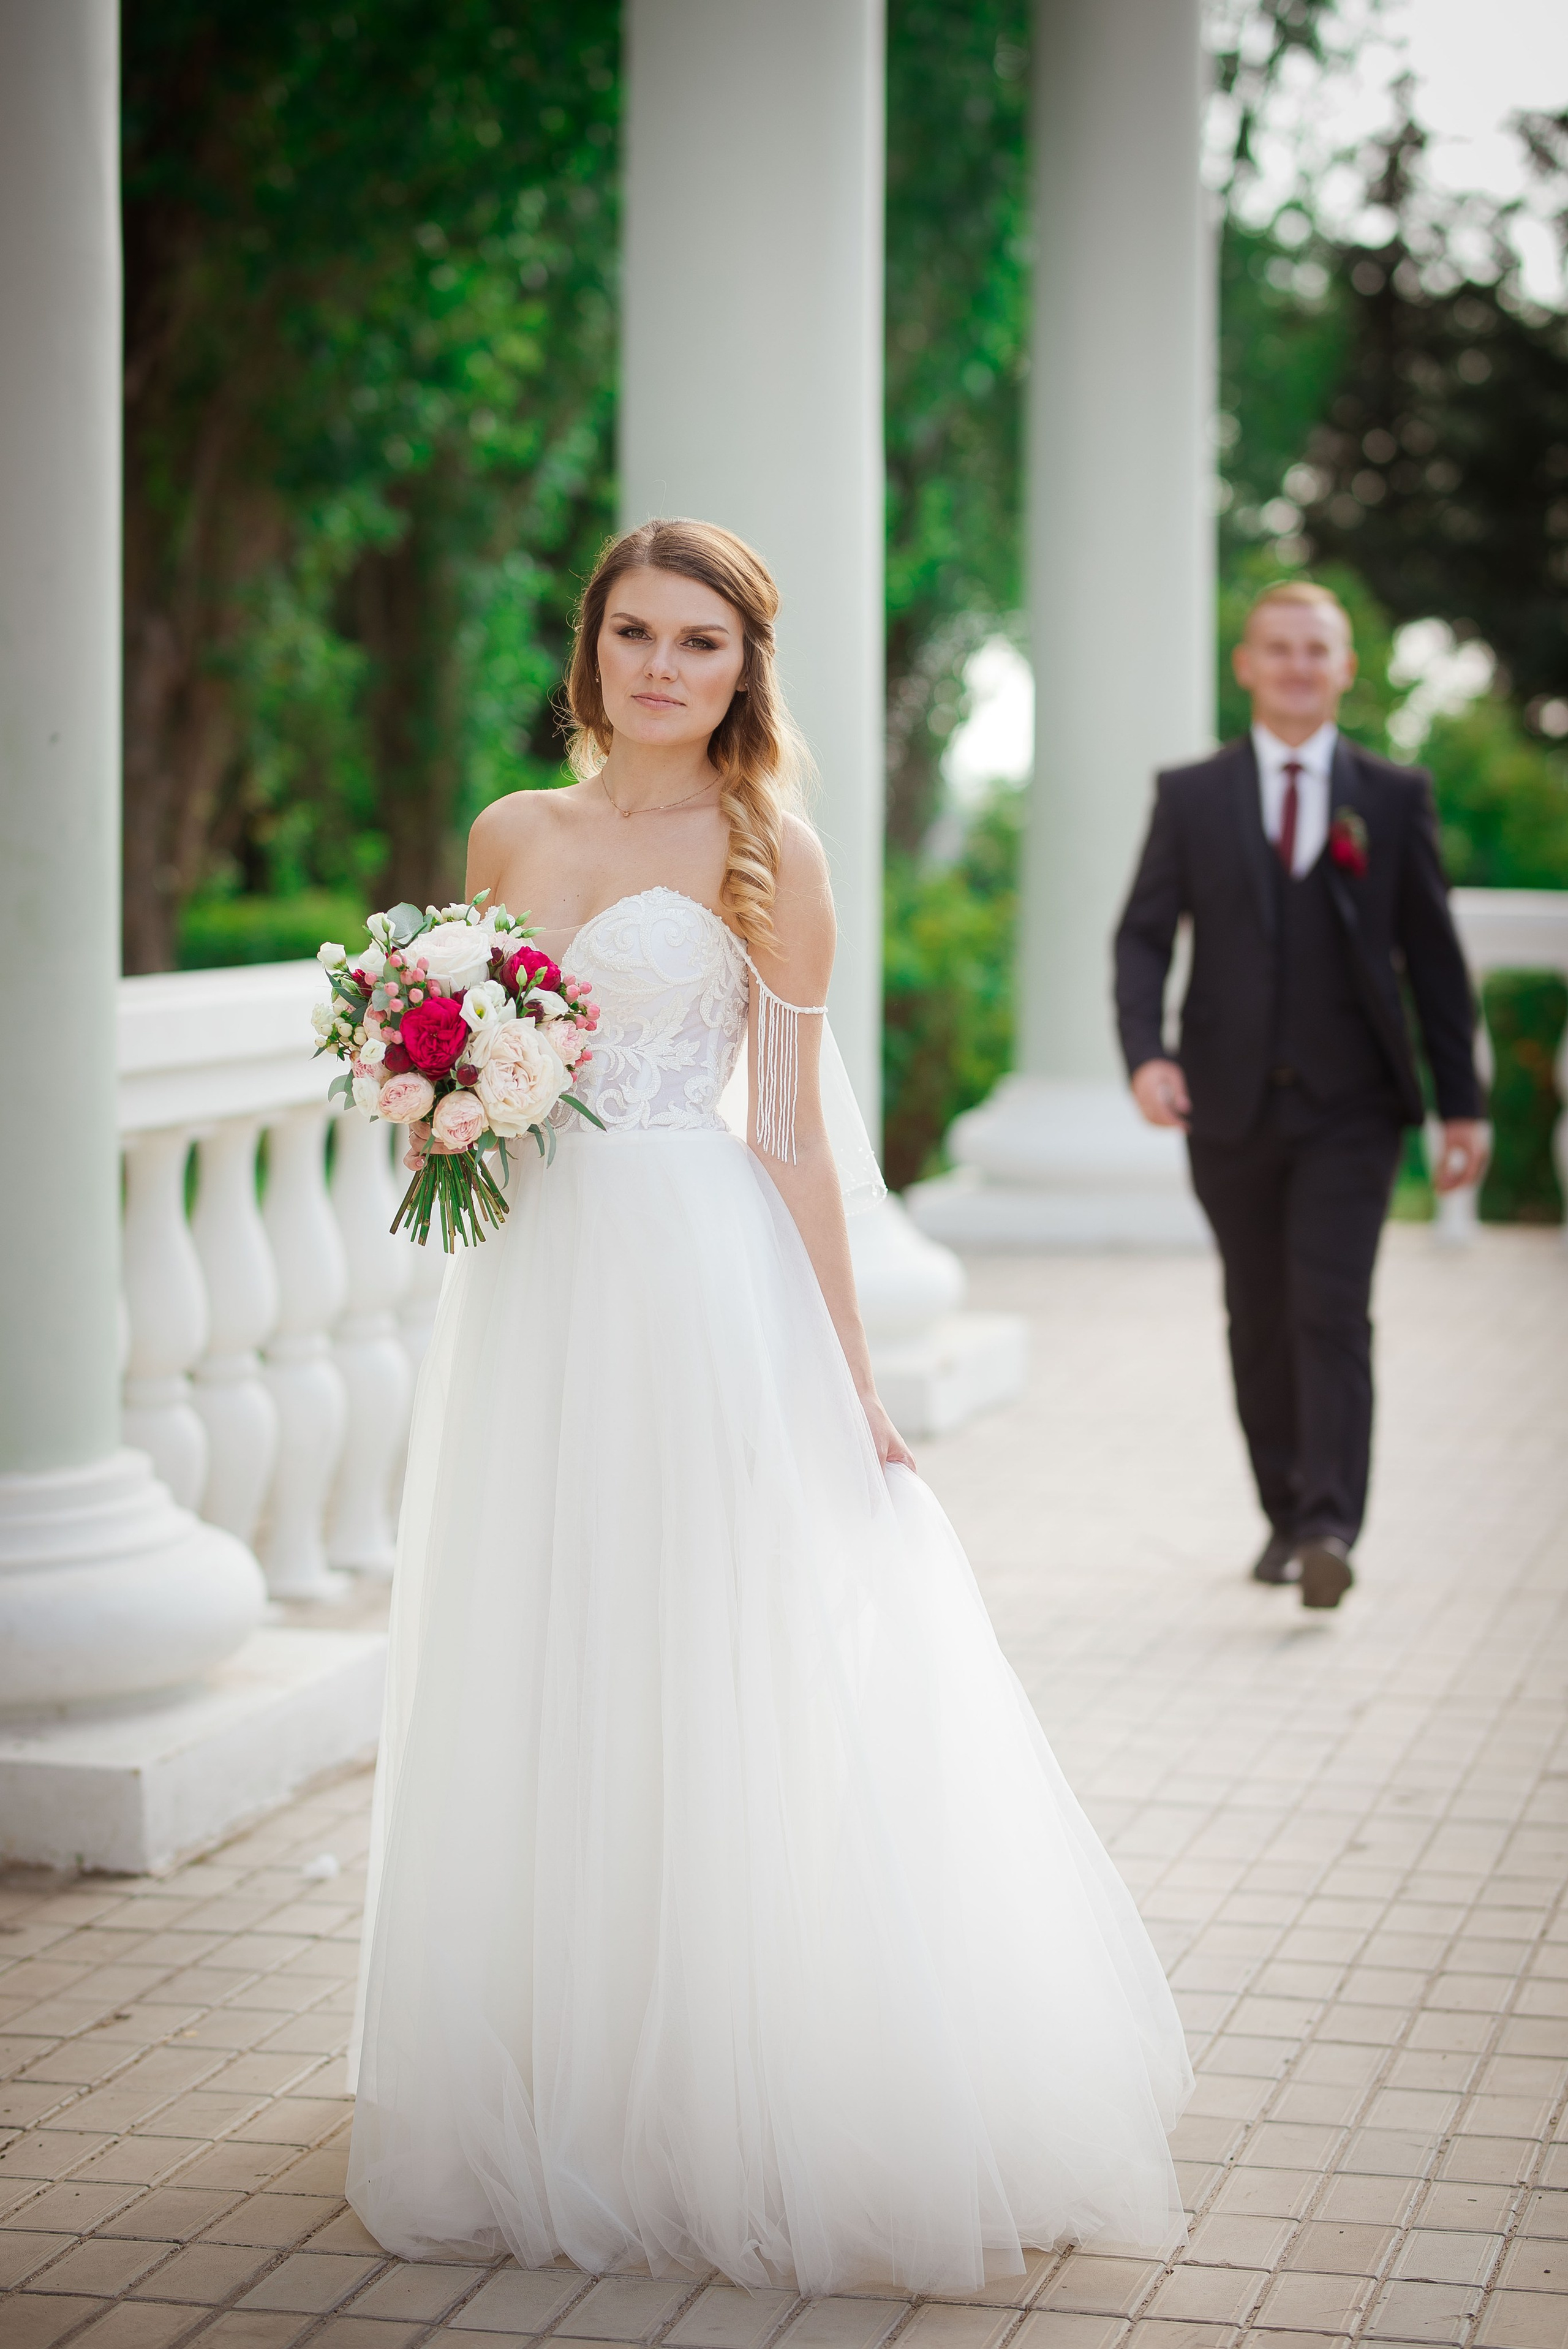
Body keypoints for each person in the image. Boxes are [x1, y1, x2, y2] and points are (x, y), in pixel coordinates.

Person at [346, 518, 1190, 2293]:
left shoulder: (768, 846)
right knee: (545, 1640)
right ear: (591, 650)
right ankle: (546, 2056)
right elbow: (488, 1050)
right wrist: (436, 1097)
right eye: (637, 633)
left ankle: (713, 2074)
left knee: (703, 1648)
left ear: (745, 671)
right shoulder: (515, 832)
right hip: (537, 1294)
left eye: (701, 643)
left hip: (699, 1283)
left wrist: (852, 1380)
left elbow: (792, 1133)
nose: (664, 666)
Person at [1115, 579, 1485, 1612]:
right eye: (1277, 648)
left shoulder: (1395, 795)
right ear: (1246, 664)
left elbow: (1435, 960)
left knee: (1330, 1307)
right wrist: (1147, 1052)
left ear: (1345, 668)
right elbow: (1144, 935)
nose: (1296, 666)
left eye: (1316, 650)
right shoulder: (1190, 795)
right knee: (1258, 1311)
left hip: (1353, 1106)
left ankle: (1330, 1523)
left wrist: (1466, 1106)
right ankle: (1283, 1513)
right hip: (1226, 1105)